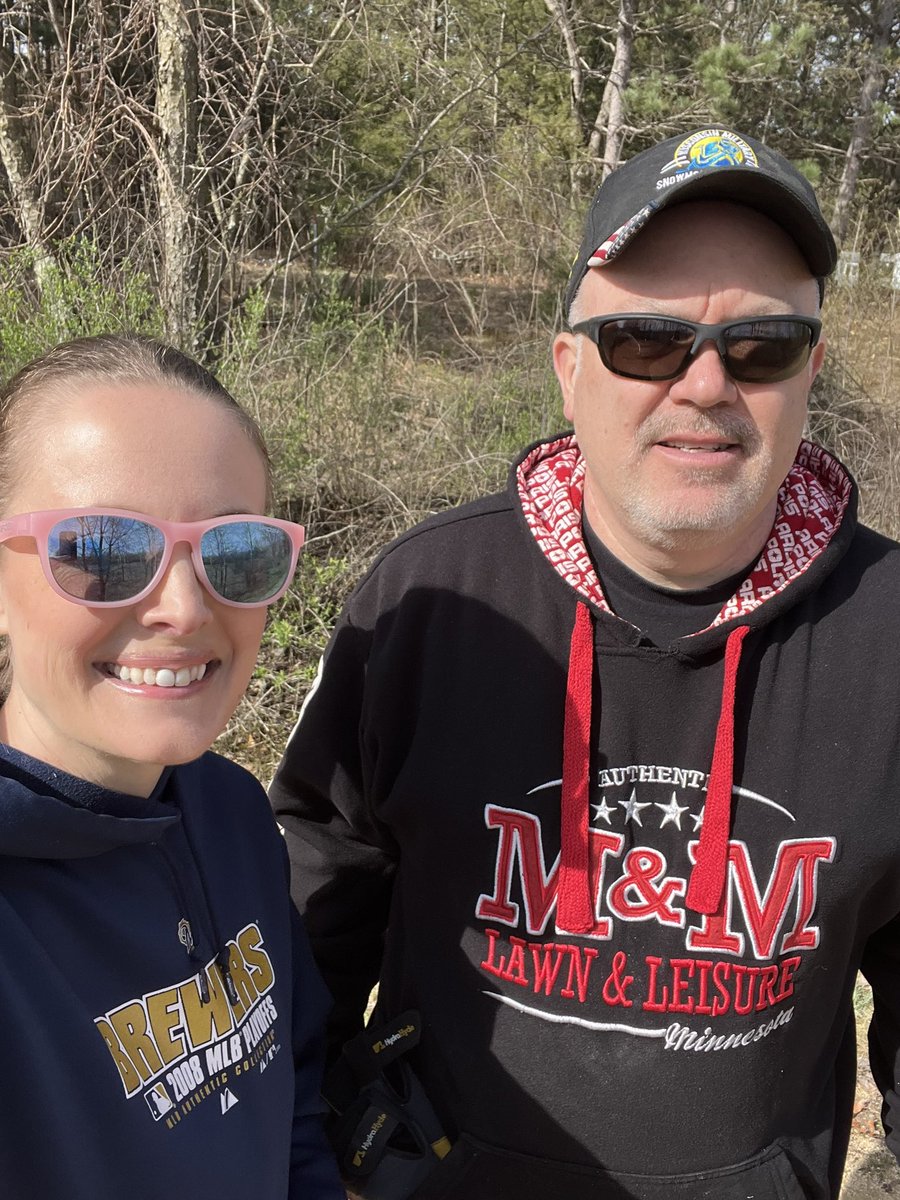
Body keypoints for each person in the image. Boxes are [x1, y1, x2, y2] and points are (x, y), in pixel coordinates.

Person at [270, 127, 900, 1200]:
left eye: (762, 346)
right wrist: (302, 1157)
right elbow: (314, 912)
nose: (706, 384)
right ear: (568, 369)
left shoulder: (885, 632)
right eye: (647, 342)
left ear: (811, 373)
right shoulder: (433, 599)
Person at [0, 334, 345, 1199]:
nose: (185, 608)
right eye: (102, 551)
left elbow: (295, 1096)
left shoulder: (232, 813)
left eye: (235, 552)